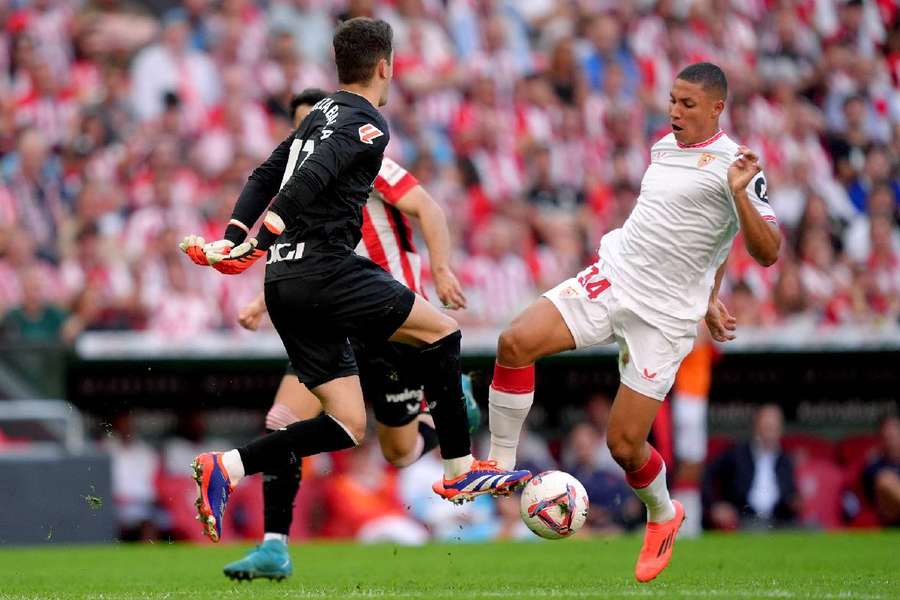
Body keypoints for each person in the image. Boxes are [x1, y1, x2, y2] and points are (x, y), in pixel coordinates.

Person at [179, 17, 530, 544]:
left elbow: (263, 176)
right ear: (385, 66)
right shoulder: (366, 122)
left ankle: (225, 468)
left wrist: (234, 236)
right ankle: (460, 470)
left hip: (285, 284)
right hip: (325, 268)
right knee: (442, 332)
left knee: (347, 424)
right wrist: (259, 239)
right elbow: (310, 178)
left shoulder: (314, 117)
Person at [482, 63, 781, 582]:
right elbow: (701, 236)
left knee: (623, 445)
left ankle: (663, 513)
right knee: (515, 341)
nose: (674, 111)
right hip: (616, 276)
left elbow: (767, 250)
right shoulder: (662, 147)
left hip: (664, 317)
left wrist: (737, 195)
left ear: (717, 108)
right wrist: (711, 293)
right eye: (671, 100)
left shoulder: (739, 167)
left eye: (687, 104)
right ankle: (499, 464)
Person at [221, 89, 480, 581]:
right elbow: (298, 256)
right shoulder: (301, 182)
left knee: (400, 452)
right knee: (283, 419)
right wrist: (259, 301)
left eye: (311, 127)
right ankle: (274, 545)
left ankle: (452, 406)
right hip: (329, 313)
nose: (308, 139)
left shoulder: (366, 157)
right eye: (300, 131)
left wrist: (442, 269)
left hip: (386, 314)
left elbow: (429, 209)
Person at [702, 404, 798, 530]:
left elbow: (790, 495)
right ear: (756, 426)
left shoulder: (785, 461)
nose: (770, 431)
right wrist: (715, 506)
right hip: (743, 520)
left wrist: (795, 501)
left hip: (778, 521)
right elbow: (706, 476)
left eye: (773, 427)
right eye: (766, 426)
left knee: (812, 529)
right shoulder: (737, 454)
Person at [861, 415, 900, 527]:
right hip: (891, 516)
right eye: (885, 434)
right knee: (885, 479)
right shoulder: (874, 464)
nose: (889, 437)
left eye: (893, 432)